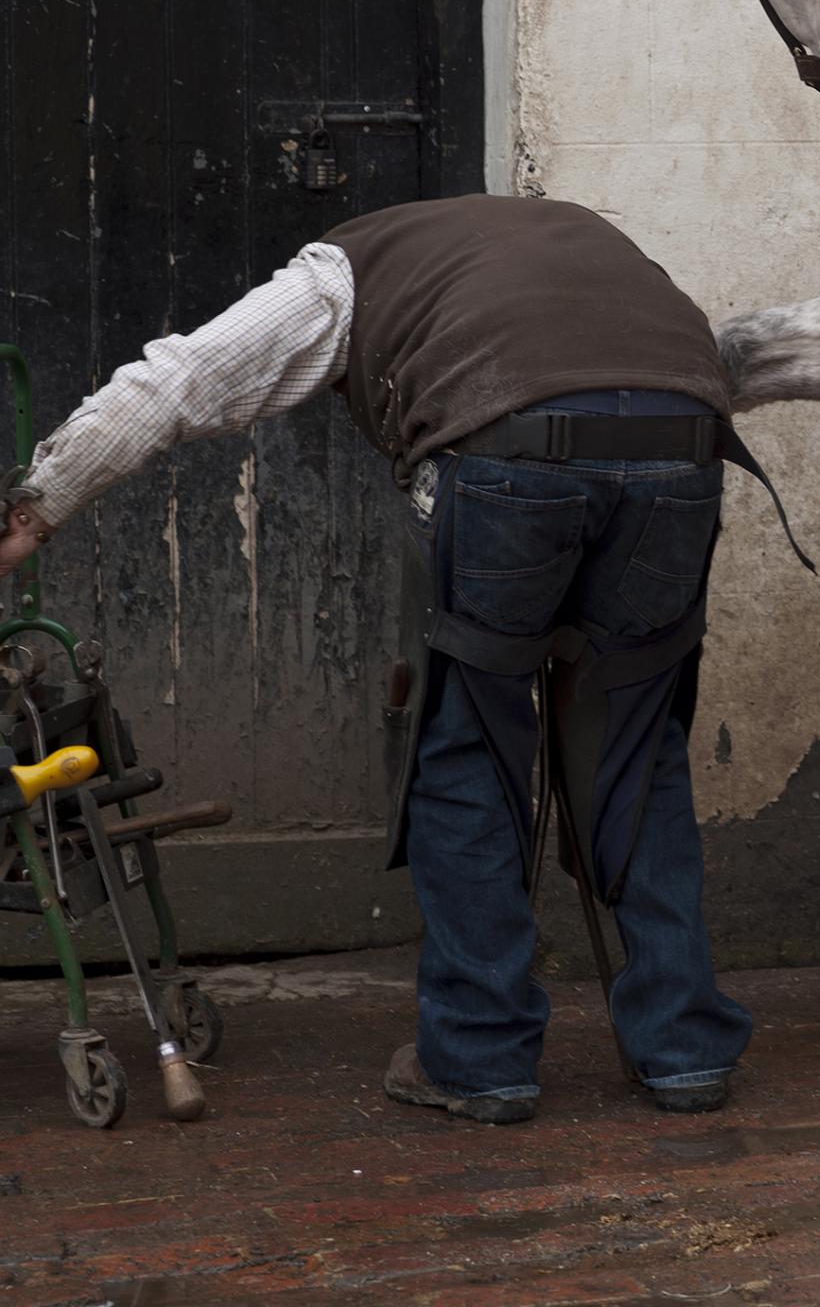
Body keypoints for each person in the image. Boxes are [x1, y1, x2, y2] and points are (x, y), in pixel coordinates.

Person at [0, 194, 764, 1124]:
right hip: (683, 450)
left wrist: (37, 504)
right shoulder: (590, 235)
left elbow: (178, 382)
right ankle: (682, 1052)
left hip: (504, 460)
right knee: (637, 749)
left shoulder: (339, 274)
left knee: (466, 747)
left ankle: (481, 1060)